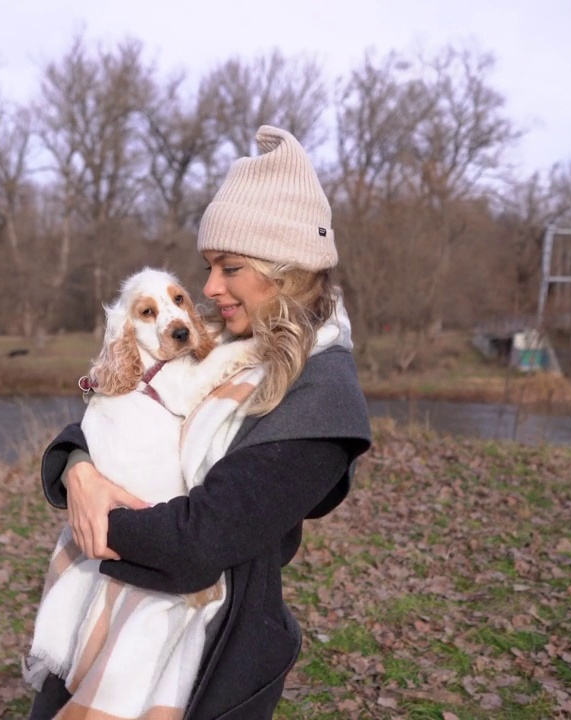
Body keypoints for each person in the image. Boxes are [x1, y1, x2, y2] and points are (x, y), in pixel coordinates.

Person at [28, 125, 373, 720]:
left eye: (229, 267)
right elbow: (117, 406)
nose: (210, 288)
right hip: (110, 609)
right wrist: (77, 468)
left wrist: (98, 522)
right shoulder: (238, 335)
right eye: (209, 268)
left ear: (285, 270)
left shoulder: (325, 402)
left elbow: (198, 543)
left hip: (205, 652)